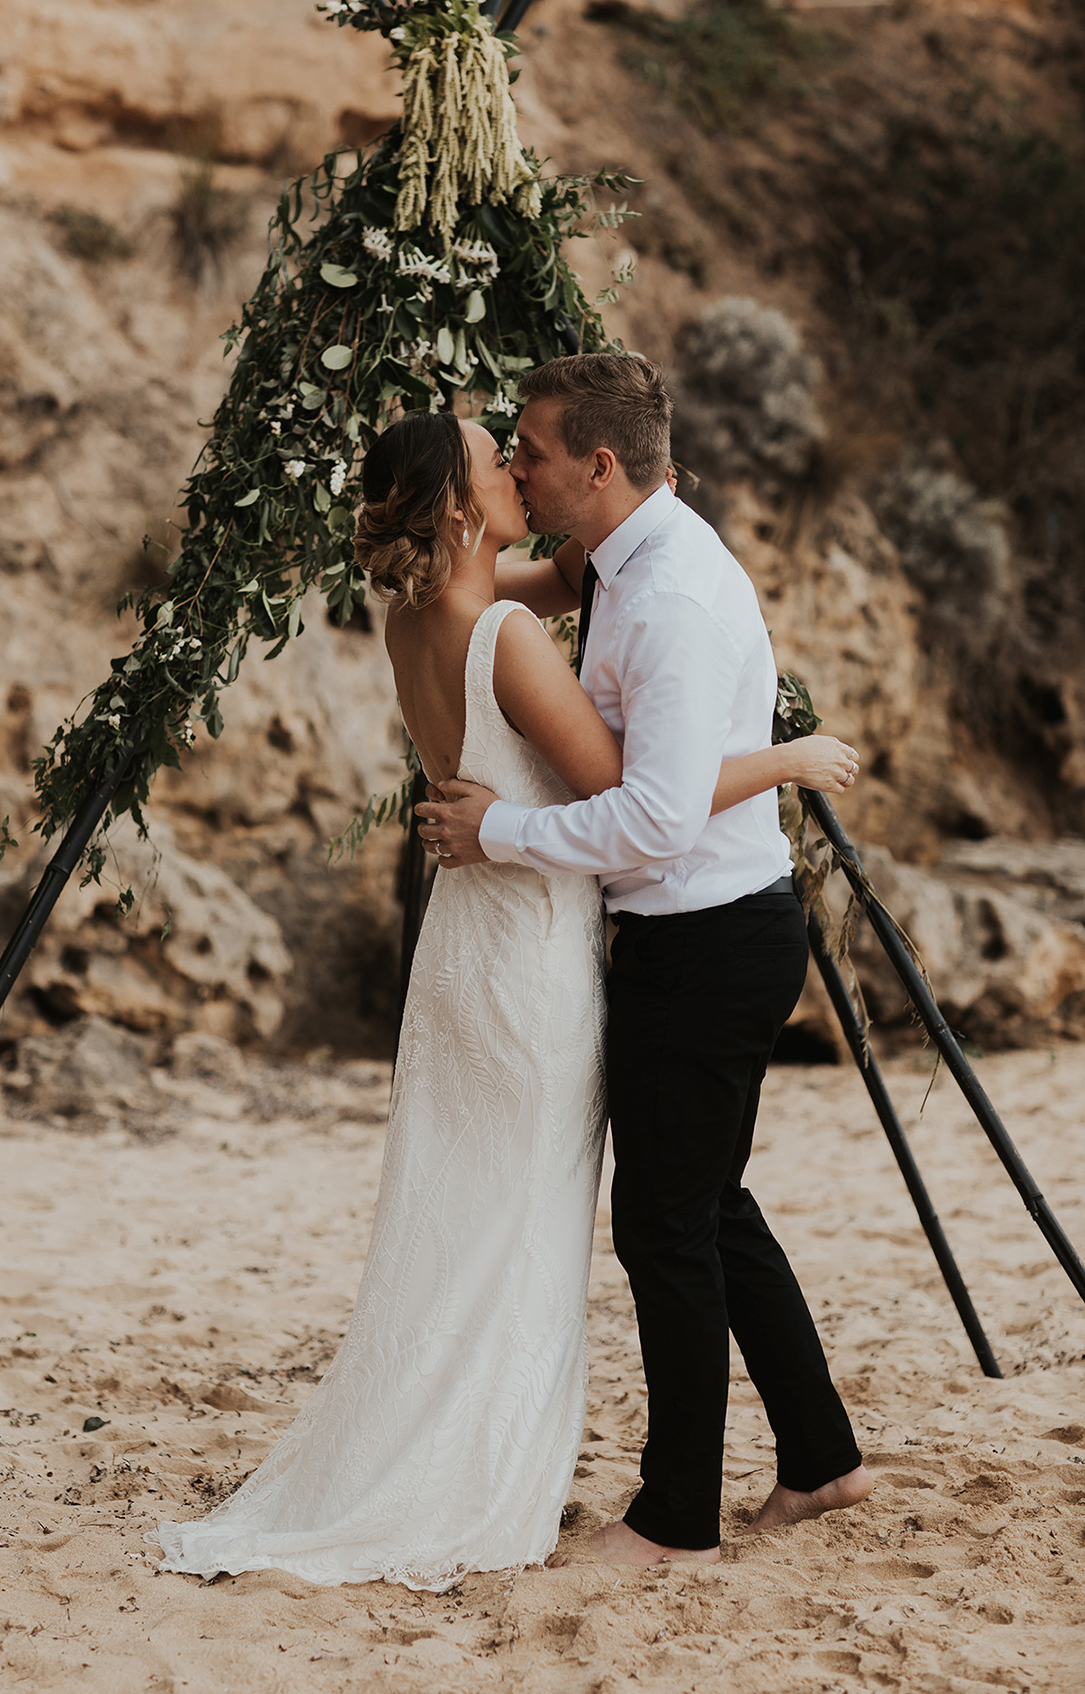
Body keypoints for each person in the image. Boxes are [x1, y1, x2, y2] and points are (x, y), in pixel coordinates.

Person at [152, 405, 858, 1590]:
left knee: (480, 1204)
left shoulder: (416, 614)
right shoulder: (512, 639)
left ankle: (790, 1449)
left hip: (463, 955)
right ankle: (491, 1463)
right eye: (499, 458)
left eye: (528, 450)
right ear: (469, 505)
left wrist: (625, 496)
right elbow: (632, 797)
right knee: (543, 1220)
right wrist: (785, 758)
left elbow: (570, 561)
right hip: (535, 951)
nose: (518, 471)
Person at [416, 355, 872, 1568]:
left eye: (534, 452)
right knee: (709, 1208)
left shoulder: (672, 597)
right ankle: (823, 1462)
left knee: (664, 1229)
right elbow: (506, 587)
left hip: (707, 942)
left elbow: (655, 819)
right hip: (705, 933)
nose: (518, 464)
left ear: (600, 467)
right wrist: (424, 560)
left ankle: (675, 1520)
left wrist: (492, 831)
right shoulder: (616, 555)